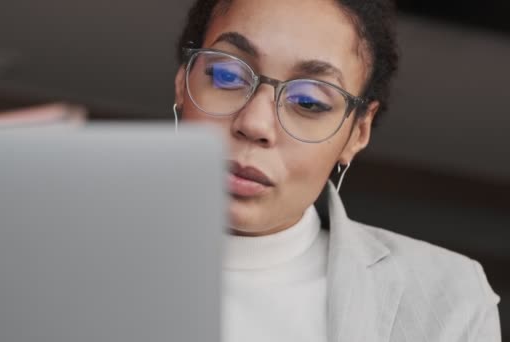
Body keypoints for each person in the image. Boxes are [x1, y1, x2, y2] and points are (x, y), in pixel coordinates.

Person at [172, 0, 502, 341]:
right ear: (183, 82)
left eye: (309, 102)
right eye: (228, 75)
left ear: (357, 133)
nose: (255, 123)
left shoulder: (448, 300)